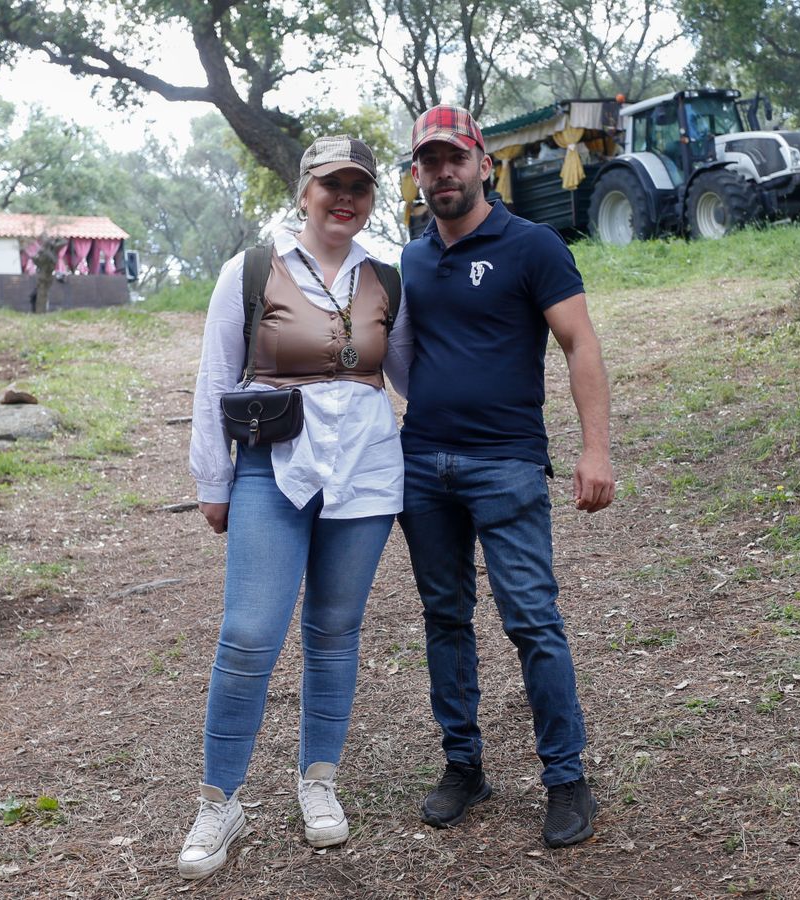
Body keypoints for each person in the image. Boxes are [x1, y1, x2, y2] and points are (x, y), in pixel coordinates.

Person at [180, 134, 410, 880]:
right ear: (304, 189)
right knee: (249, 635)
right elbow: (215, 377)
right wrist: (213, 483)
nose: (345, 198)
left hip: (366, 475)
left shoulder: (387, 278)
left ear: (371, 199)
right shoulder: (250, 270)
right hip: (271, 470)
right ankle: (220, 802)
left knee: (336, 632)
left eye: (359, 187)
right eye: (331, 184)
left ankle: (319, 782)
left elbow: (406, 370)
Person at [398, 105, 615, 849]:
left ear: (483, 164)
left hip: (508, 465)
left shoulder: (533, 246)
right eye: (429, 162)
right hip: (421, 467)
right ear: (418, 174)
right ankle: (465, 766)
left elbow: (579, 343)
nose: (443, 174)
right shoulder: (410, 259)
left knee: (532, 622)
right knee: (445, 620)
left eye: (455, 159)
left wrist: (596, 449)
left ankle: (566, 776)